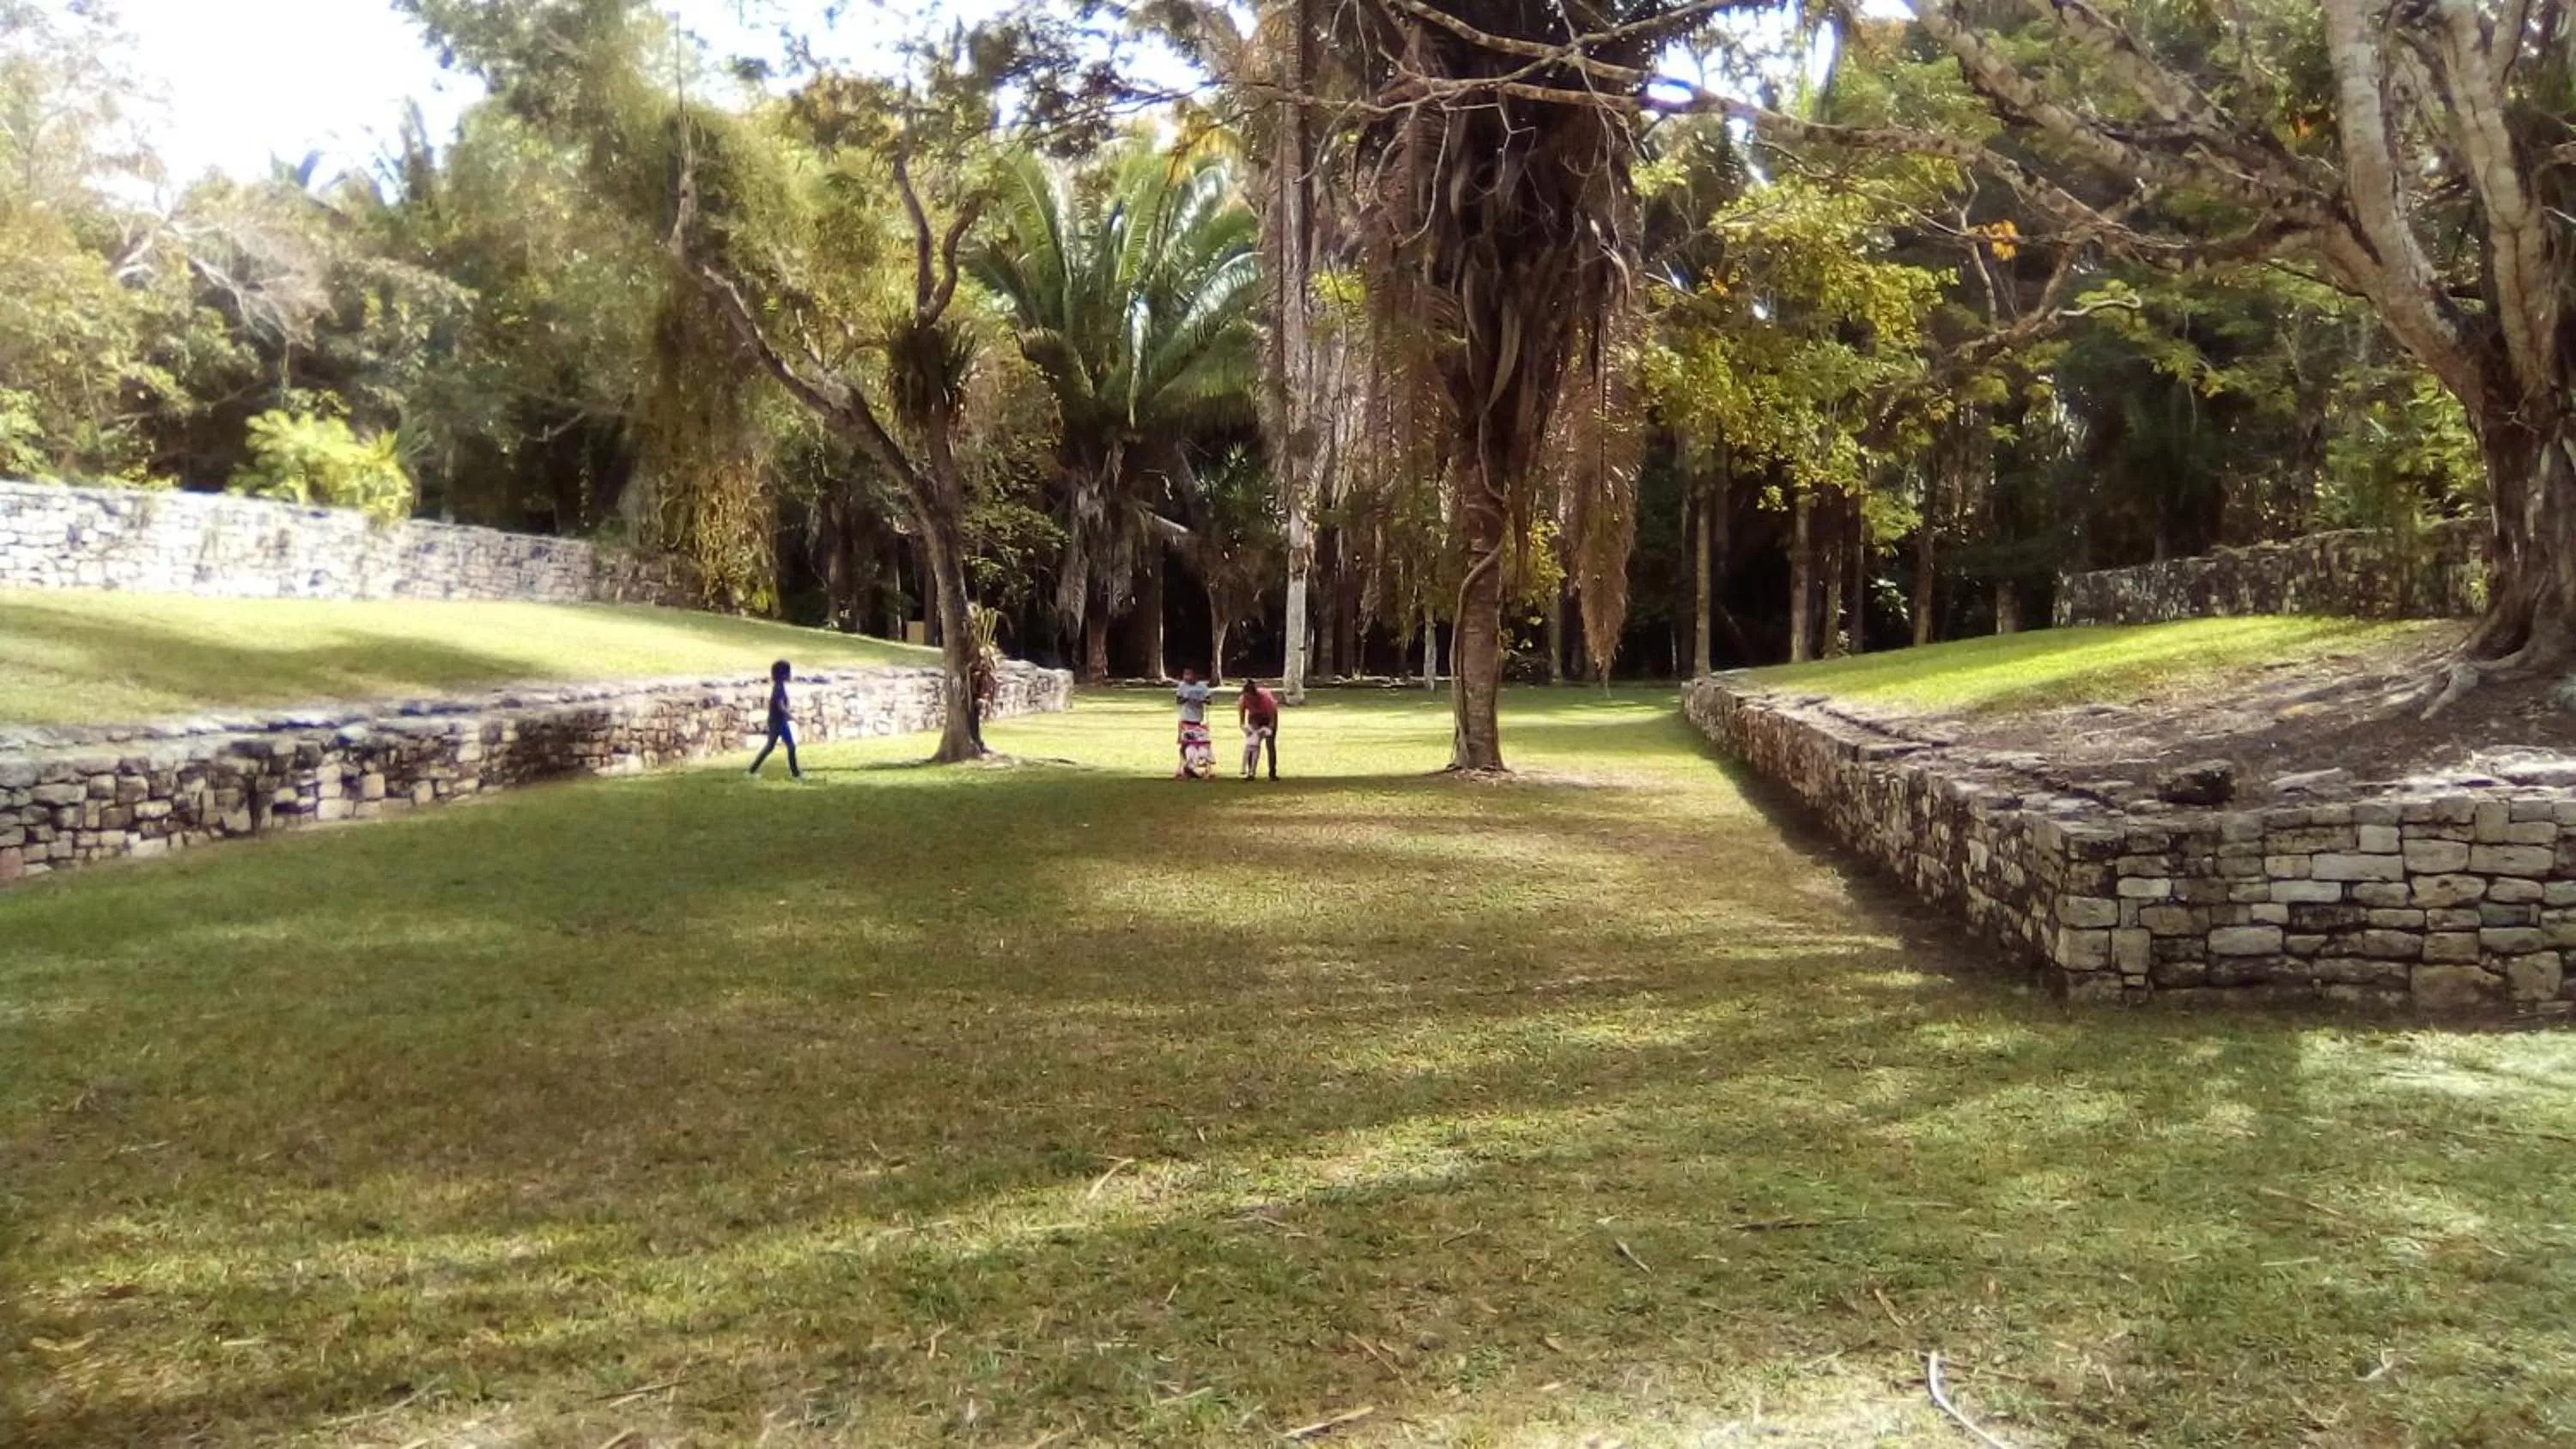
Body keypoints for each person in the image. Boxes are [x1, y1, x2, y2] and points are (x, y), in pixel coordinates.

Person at [747, 658, 802, 779]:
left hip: (774, 721)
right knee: (791, 746)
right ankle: (796, 774)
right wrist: (792, 717)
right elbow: (780, 705)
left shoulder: (778, 686)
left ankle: (751, 771)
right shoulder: (779, 688)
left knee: (770, 747)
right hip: (779, 722)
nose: (790, 674)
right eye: (788, 672)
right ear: (783, 674)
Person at [1174, 668, 1214, 779]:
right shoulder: (1182, 686)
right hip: (1186, 719)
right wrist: (1186, 699)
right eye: (1185, 674)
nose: (1186, 677)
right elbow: (1178, 701)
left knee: (1201, 743)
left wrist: (1201, 701)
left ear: (1195, 675)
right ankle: (1183, 767)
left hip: (1198, 720)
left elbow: (1209, 701)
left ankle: (1198, 766)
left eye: (1189, 674)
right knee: (1184, 743)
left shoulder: (1202, 687)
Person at [1237, 677, 1279, 780]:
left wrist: (1268, 729)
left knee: (1270, 745)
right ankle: (1251, 773)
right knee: (1252, 745)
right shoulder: (1243, 699)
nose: (1247, 699)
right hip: (1255, 717)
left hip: (1268, 717)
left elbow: (1272, 718)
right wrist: (1244, 727)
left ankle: (1272, 773)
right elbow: (1242, 716)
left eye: (1249, 697)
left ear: (1254, 695)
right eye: (1245, 697)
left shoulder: (1265, 698)